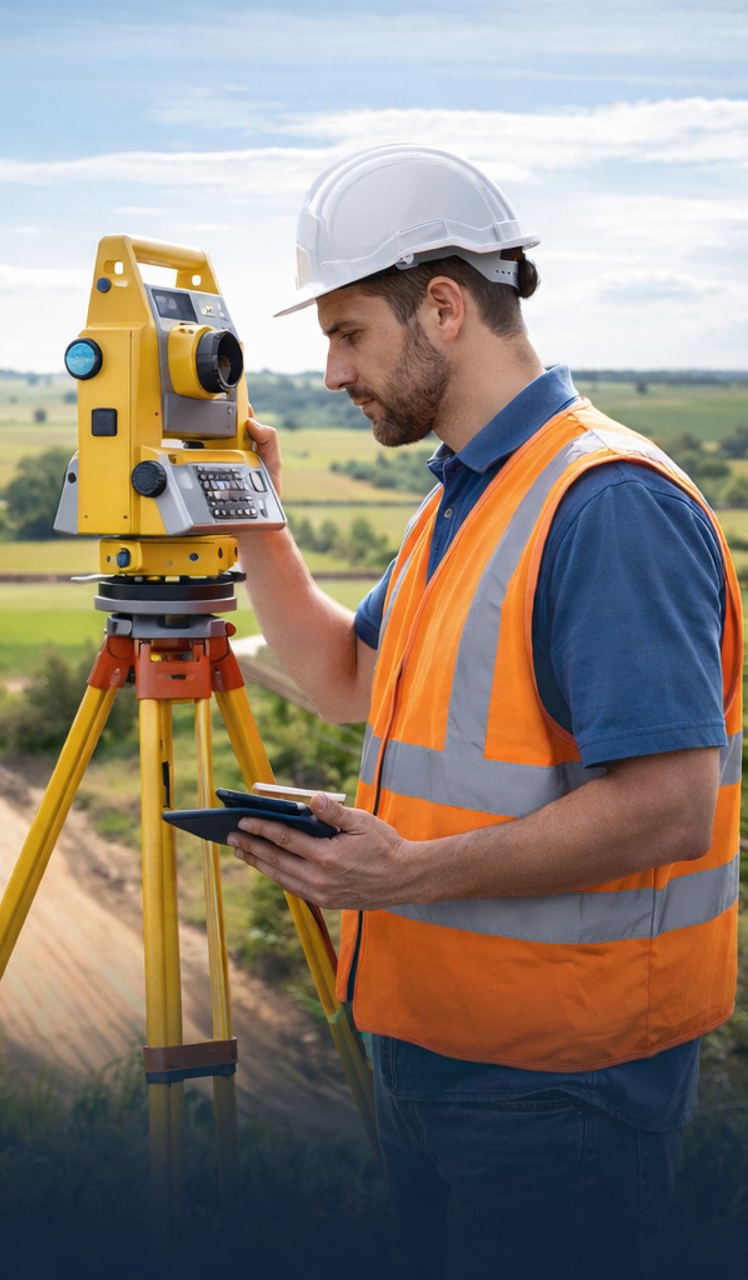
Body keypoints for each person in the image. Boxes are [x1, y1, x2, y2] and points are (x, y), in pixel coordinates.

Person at [227, 144, 740, 1275]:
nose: (329, 371)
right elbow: (345, 680)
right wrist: (254, 514)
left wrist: (401, 873)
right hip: (439, 1051)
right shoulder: (469, 494)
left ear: (445, 308)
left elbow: (669, 808)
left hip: (560, 1081)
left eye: (348, 331)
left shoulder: (606, 505)